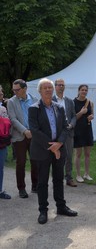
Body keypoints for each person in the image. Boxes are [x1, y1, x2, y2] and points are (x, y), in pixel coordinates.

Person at [28, 78, 78, 224]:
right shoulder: (34, 108)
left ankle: (61, 206)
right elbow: (34, 131)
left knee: (58, 179)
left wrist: (60, 143)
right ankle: (43, 210)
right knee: (42, 182)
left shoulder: (59, 107)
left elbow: (65, 127)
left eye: (50, 87)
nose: (48, 90)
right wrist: (52, 146)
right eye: (45, 88)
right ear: (40, 91)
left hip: (59, 148)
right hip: (43, 150)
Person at [7, 79, 38, 198]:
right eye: (13, 90)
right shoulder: (11, 102)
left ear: (25, 88)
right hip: (19, 136)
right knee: (21, 163)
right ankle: (21, 188)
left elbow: (38, 117)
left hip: (34, 135)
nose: (15, 92)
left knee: (35, 161)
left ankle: (35, 185)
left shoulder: (35, 100)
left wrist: (33, 131)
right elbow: (13, 119)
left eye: (17, 89)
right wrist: (25, 131)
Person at [53, 79, 77, 187]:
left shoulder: (69, 101)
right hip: (55, 132)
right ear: (55, 87)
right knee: (55, 156)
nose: (61, 87)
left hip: (68, 131)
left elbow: (74, 116)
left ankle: (69, 177)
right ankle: (57, 178)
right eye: (59, 85)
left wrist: (71, 125)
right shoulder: (50, 100)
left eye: (63, 85)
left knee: (69, 156)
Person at [73, 84, 94, 183]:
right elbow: (73, 118)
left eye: (86, 90)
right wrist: (81, 112)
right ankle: (78, 175)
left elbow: (92, 114)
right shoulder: (73, 103)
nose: (84, 92)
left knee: (88, 154)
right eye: (82, 90)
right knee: (78, 154)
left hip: (87, 129)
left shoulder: (90, 102)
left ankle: (87, 173)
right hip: (78, 130)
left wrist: (91, 117)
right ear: (78, 91)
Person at [0, 106, 11, 199]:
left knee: (0, 168)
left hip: (1, 143)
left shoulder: (3, 109)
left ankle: (0, 190)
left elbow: (7, 125)